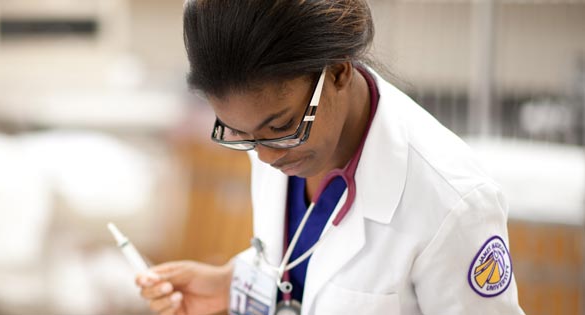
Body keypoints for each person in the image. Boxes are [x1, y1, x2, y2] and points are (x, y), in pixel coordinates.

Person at [135, 0, 525, 314]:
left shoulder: (451, 202)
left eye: (280, 126)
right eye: (240, 133)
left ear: (338, 71)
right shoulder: (275, 135)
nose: (266, 156)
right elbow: (309, 259)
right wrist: (232, 282)